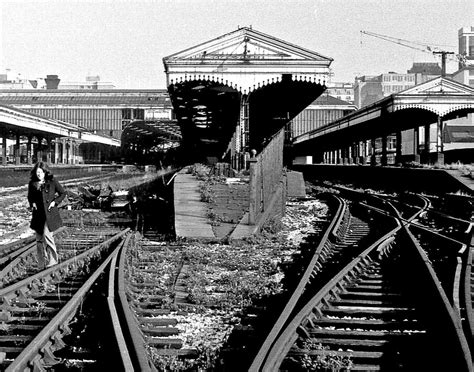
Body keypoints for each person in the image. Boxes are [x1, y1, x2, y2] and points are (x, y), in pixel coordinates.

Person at [27, 161, 66, 269]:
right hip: (38, 214)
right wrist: (32, 203)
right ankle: (41, 263)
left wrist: (55, 202)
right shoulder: (32, 183)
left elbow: (63, 193)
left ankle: (53, 260)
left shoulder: (52, 181)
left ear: (45, 172)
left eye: (41, 172)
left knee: (47, 235)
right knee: (39, 239)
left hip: (49, 214)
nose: (39, 174)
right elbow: (30, 197)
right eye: (37, 172)